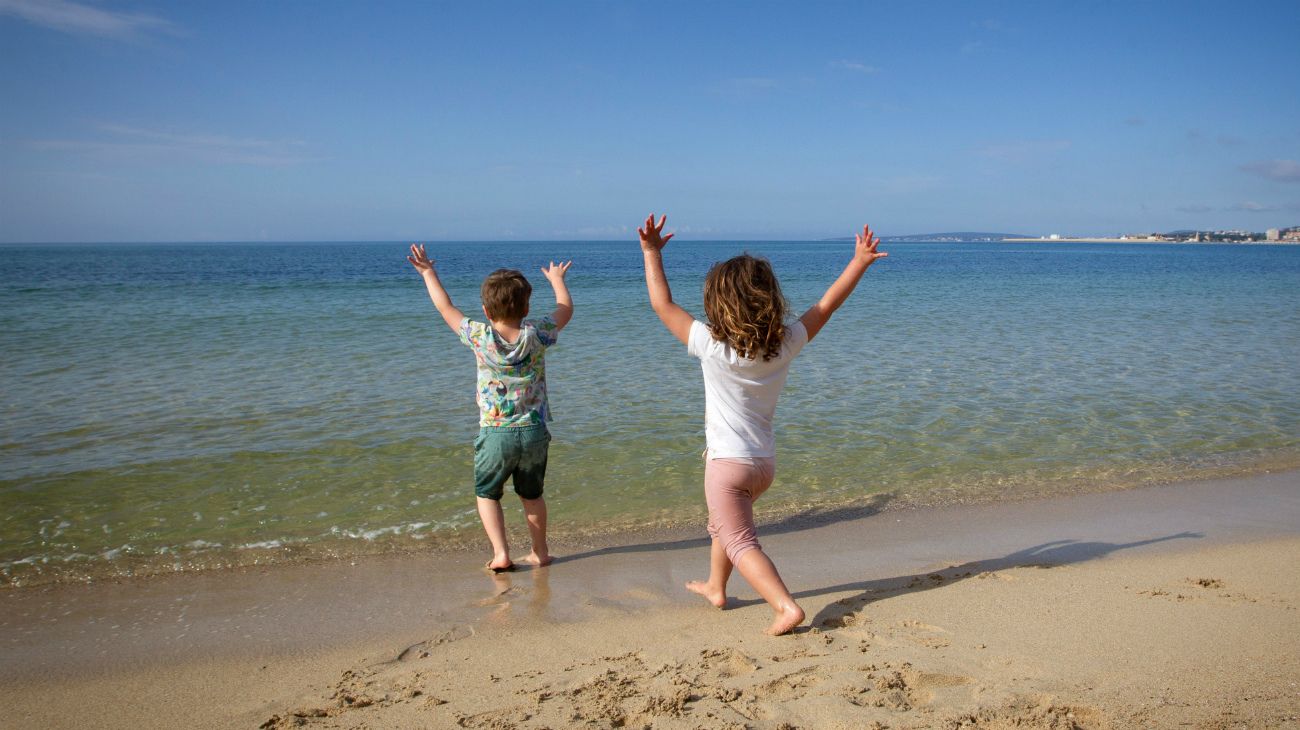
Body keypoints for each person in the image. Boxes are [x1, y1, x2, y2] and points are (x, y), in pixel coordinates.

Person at [637, 214, 887, 635]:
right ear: (770, 299)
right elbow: (826, 304)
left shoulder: (710, 345)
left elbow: (662, 304)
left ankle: (784, 606)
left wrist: (650, 253)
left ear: (716, 304)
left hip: (727, 465)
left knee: (738, 540)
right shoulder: (785, 343)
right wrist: (858, 263)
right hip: (762, 464)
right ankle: (717, 587)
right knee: (724, 524)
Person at [407, 244, 573, 572]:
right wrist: (556, 279)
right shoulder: (538, 334)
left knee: (487, 494)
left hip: (495, 432)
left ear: (485, 310)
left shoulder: (479, 336)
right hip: (533, 432)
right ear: (526, 307)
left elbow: (445, 307)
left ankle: (501, 554)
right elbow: (565, 308)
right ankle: (540, 552)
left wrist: (428, 273)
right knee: (532, 495)